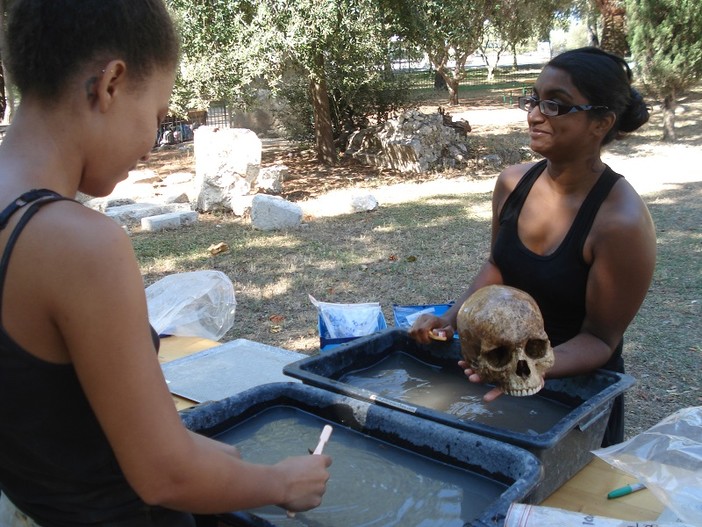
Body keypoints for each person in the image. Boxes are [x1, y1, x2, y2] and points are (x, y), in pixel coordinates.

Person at [0, 2, 330, 526]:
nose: (152, 149)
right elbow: (163, 476)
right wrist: (282, 482)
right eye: (156, 117)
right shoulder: (80, 245)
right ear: (110, 84)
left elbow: (53, 424)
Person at [409, 47, 656, 447]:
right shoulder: (512, 184)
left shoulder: (620, 222)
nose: (535, 114)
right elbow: (499, 267)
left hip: (575, 397)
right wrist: (450, 319)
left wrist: (527, 368)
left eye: (556, 104)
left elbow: (599, 340)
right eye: (535, 99)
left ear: (601, 122)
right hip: (503, 370)